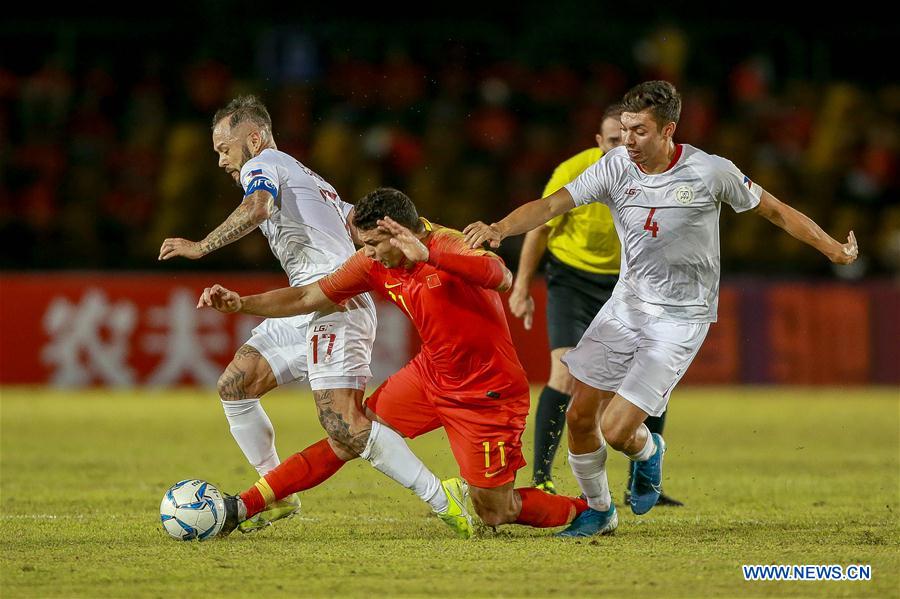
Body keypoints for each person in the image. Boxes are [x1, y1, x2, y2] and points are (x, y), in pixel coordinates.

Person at [463, 80, 858, 536]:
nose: (628, 140)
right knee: (578, 415)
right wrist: (500, 228)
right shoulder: (614, 166)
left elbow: (776, 211)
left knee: (616, 431)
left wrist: (832, 249)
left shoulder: (710, 171)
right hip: (625, 307)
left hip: (679, 319)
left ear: (669, 130)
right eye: (625, 129)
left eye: (640, 132)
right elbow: (553, 204)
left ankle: (649, 451)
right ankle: (600, 511)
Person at [198, 188, 597, 537]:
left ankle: (591, 510)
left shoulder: (449, 244)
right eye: (362, 244)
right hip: (429, 378)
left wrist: (431, 257)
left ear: (395, 231)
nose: (365, 252)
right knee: (347, 433)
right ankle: (248, 504)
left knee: (495, 511)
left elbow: (500, 275)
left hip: (487, 393)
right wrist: (242, 304)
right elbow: (307, 298)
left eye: (372, 242)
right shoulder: (373, 263)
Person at [159, 96, 472, 537]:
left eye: (224, 149)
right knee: (236, 383)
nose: (221, 161)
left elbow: (259, 207)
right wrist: (441, 237)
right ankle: (278, 492)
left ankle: (443, 497)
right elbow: (364, 224)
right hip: (306, 301)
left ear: (253, 138)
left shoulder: (262, 165)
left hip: (333, 301)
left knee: (344, 425)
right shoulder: (307, 177)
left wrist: (200, 246)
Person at [510, 104, 683, 505]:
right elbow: (540, 225)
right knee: (565, 374)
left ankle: (642, 481)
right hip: (572, 279)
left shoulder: (655, 174)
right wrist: (521, 286)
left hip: (629, 283)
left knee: (652, 380)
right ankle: (541, 479)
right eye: (612, 140)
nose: (622, 146)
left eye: (630, 136)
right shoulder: (578, 171)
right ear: (597, 142)